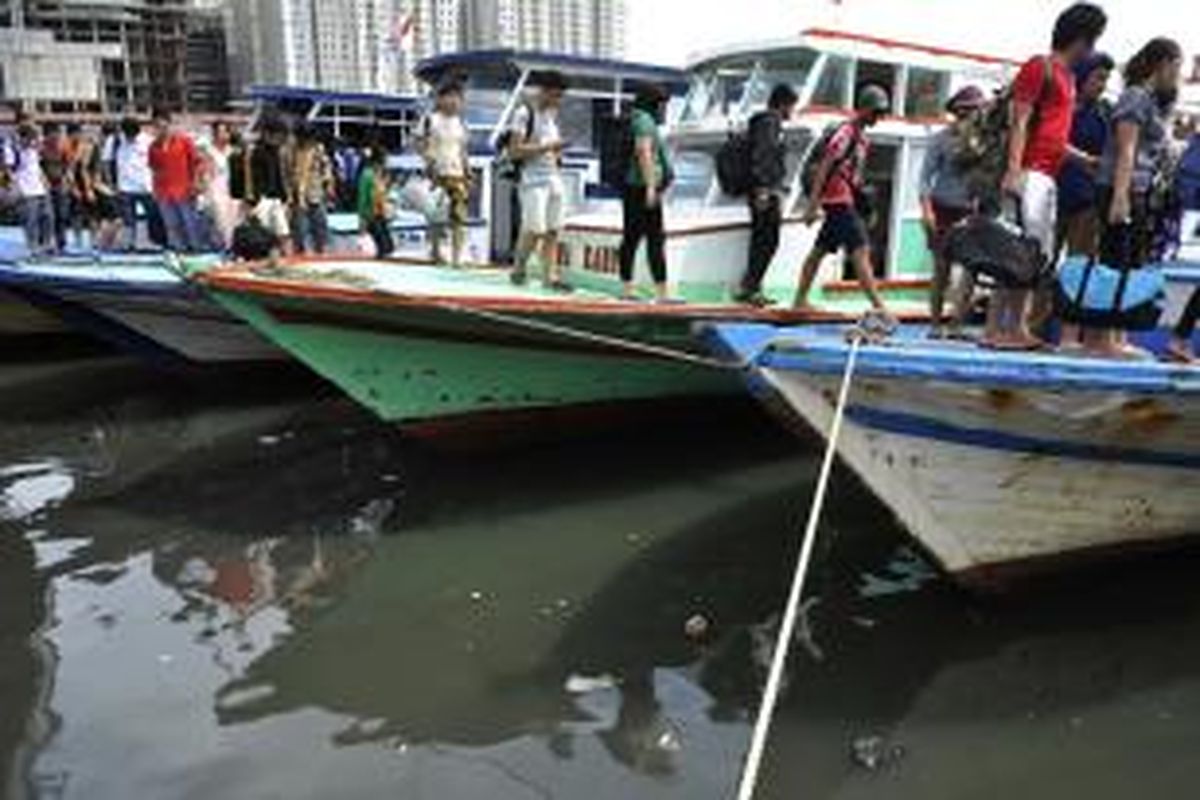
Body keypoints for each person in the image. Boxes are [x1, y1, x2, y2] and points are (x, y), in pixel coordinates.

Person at [988, 2, 1108, 350]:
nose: (1093, 47)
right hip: (1030, 173)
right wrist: (1013, 170)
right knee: (1021, 253)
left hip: (1049, 173)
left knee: (1031, 253)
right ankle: (1004, 330)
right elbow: (1020, 121)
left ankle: (1009, 328)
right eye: (1093, 39)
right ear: (1082, 39)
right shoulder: (1040, 67)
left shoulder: (1069, 78)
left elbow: (1053, 136)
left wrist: (1083, 159)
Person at [1090, 38, 1184, 359]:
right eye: (1175, 66)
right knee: (1114, 263)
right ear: (1161, 64)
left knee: (1131, 264)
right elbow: (1126, 150)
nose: (1178, 73)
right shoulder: (1135, 97)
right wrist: (1120, 196)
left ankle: (1118, 335)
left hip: (1141, 190)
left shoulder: (1157, 104)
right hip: (1122, 187)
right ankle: (1102, 338)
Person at [793, 85, 893, 318]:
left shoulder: (861, 139)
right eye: (876, 113)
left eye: (882, 113)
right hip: (836, 200)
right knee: (861, 249)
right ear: (864, 109)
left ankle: (799, 299)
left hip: (844, 199)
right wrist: (812, 204)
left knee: (819, 251)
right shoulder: (846, 133)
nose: (879, 118)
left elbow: (854, 178)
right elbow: (825, 167)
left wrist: (866, 207)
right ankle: (879, 307)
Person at [919, 85, 988, 338]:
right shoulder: (940, 140)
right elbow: (925, 179)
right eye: (964, 112)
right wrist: (926, 212)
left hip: (971, 210)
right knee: (942, 268)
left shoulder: (985, 141)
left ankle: (957, 323)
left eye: (973, 111)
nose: (968, 117)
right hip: (943, 208)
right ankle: (935, 324)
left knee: (971, 270)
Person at [508, 70, 572, 291]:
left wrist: (557, 153)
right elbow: (514, 151)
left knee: (553, 230)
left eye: (560, 96)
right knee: (534, 229)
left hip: (553, 176)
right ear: (543, 91)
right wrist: (549, 147)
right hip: (532, 179)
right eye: (555, 95)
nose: (558, 101)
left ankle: (549, 277)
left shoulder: (550, 116)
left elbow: (550, 147)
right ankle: (518, 268)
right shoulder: (523, 113)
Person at [738, 83, 800, 307]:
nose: (792, 111)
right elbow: (764, 156)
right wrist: (764, 189)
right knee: (767, 240)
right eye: (792, 106)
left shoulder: (764, 122)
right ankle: (751, 288)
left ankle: (752, 287)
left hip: (764, 189)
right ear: (783, 104)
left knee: (762, 240)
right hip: (764, 191)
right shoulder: (770, 123)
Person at [619, 83, 676, 303]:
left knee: (633, 238)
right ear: (654, 103)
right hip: (642, 188)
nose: (663, 109)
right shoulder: (644, 120)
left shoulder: (637, 117)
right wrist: (652, 187)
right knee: (652, 239)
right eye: (662, 104)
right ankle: (659, 294)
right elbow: (643, 152)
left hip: (636, 187)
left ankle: (628, 290)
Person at [1058, 53, 1115, 258]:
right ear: (1081, 75)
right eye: (1098, 78)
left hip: (1086, 200)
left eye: (1106, 80)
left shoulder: (1104, 112)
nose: (1102, 85)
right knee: (1038, 262)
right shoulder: (1059, 106)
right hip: (1050, 194)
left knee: (1079, 267)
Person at [418, 80, 471, 266]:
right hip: (437, 173)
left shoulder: (460, 123)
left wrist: (468, 171)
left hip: (457, 173)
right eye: (450, 97)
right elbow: (420, 144)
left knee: (459, 217)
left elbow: (463, 149)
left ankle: (457, 257)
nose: (454, 102)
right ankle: (435, 251)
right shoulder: (431, 120)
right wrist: (429, 161)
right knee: (436, 215)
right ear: (440, 99)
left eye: (458, 98)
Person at [148, 108, 205, 253]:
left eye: (164, 126)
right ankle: (179, 250)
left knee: (190, 223)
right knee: (171, 225)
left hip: (185, 190)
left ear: (170, 124)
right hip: (164, 191)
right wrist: (155, 190)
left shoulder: (184, 141)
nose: (161, 130)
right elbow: (154, 169)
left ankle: (196, 250)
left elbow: (198, 163)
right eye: (158, 127)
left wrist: (197, 182)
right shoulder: (153, 147)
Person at [3, 124, 56, 257]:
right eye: (30, 138)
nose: (33, 141)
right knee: (31, 219)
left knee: (48, 216)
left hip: (40, 188)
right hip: (26, 190)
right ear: (23, 138)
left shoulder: (33, 150)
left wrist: (45, 181)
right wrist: (15, 186)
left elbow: (37, 167)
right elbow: (8, 170)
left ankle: (47, 243)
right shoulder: (13, 150)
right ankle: (33, 247)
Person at [247, 115, 293, 255]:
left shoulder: (276, 151)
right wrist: (252, 201)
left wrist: (285, 199)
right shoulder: (255, 152)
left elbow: (279, 177)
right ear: (268, 133)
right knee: (264, 236)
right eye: (279, 135)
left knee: (283, 233)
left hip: (275, 198)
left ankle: (285, 258)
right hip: (262, 199)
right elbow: (251, 179)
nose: (281, 139)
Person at [115, 117, 163, 250]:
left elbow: (157, 163)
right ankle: (129, 245)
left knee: (153, 216)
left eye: (131, 134)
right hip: (125, 186)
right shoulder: (118, 141)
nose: (129, 137)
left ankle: (156, 243)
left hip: (145, 186)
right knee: (128, 220)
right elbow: (111, 161)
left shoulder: (148, 142)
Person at [286, 124, 335, 255]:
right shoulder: (292, 150)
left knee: (319, 228)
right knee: (299, 231)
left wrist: (328, 182)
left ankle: (321, 253)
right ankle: (299, 254)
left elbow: (326, 168)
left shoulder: (318, 149)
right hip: (297, 196)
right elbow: (289, 173)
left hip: (315, 193)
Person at [200, 121, 240, 250]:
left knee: (234, 220)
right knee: (221, 220)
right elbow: (206, 173)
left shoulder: (234, 151)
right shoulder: (208, 151)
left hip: (233, 188)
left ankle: (233, 246)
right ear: (215, 134)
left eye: (225, 132)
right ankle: (226, 247)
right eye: (220, 132)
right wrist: (206, 191)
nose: (223, 135)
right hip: (216, 187)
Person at [357, 147, 394, 259]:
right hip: (372, 215)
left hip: (380, 213)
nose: (387, 163)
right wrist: (363, 217)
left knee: (389, 247)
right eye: (385, 160)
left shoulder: (379, 174)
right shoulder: (367, 175)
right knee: (383, 247)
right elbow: (363, 197)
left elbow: (382, 193)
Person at [40, 122, 71, 252]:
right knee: (48, 214)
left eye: (58, 134)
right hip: (44, 184)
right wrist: (44, 180)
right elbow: (37, 166)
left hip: (60, 183)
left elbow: (68, 165)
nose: (56, 137)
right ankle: (46, 241)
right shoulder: (41, 148)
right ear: (46, 135)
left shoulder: (63, 146)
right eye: (54, 135)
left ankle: (61, 242)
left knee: (62, 214)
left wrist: (66, 178)